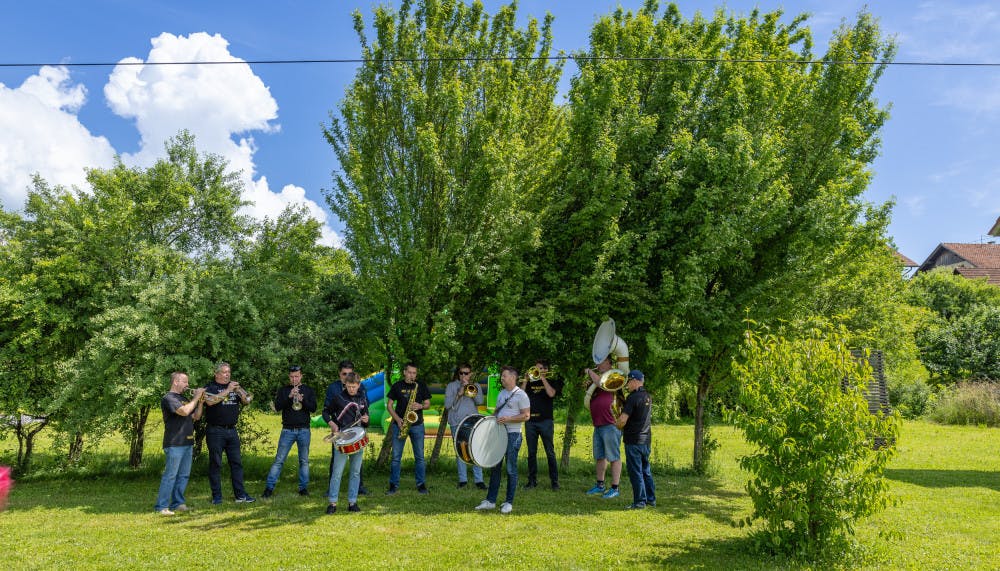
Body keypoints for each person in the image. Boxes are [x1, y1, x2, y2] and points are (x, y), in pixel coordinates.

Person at [475, 366, 530, 514]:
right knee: (495, 467)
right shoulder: (501, 393)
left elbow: (526, 416)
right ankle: (491, 501)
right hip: (499, 434)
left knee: (511, 469)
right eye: (502, 376)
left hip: (513, 435)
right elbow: (497, 412)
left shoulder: (521, 395)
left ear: (513, 377)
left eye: (504, 376)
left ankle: (508, 502)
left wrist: (509, 419)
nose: (502, 378)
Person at [203, 362, 255, 504]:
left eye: (229, 372)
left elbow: (247, 401)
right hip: (215, 431)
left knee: (236, 463)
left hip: (232, 430)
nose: (228, 375)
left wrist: (240, 391)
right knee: (216, 464)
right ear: (217, 374)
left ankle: (240, 495)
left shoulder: (234, 388)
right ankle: (217, 497)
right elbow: (210, 402)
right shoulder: (210, 387)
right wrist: (228, 390)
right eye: (225, 372)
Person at [154, 372, 205, 515]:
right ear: (176, 382)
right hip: (174, 442)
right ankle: (161, 507)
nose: (187, 385)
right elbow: (184, 411)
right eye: (185, 382)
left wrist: (200, 402)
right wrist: (195, 398)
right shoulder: (168, 398)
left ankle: (178, 503)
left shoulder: (184, 398)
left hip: (187, 442)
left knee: (183, 475)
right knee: (170, 475)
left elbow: (196, 416)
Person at [262, 365, 317, 498]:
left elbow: (313, 408)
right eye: (292, 376)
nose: (294, 379)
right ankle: (269, 488)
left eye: (296, 376)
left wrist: (302, 399)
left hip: (304, 430)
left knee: (303, 461)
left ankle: (303, 488)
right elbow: (277, 407)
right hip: (287, 430)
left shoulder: (308, 390)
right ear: (289, 377)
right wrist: (289, 396)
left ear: (301, 376)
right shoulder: (284, 390)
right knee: (279, 460)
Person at [323, 372, 370, 514]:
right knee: (337, 472)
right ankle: (332, 503)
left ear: (358, 385)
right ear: (345, 385)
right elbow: (326, 412)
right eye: (349, 386)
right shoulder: (339, 398)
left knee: (355, 472)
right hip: (341, 438)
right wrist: (332, 423)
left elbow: (366, 418)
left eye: (354, 387)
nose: (351, 389)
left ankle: (352, 502)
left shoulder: (362, 398)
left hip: (357, 438)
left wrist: (367, 420)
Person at [385, 362, 431, 495]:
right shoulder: (397, 386)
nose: (412, 375)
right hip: (400, 424)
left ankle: (421, 484)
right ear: (404, 372)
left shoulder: (420, 385)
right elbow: (389, 405)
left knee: (420, 457)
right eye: (410, 372)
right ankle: (393, 485)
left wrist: (420, 406)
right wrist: (398, 419)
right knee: (396, 457)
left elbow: (428, 403)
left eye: (414, 373)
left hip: (417, 425)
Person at [616, 370, 656, 509]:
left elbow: (622, 420)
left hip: (633, 441)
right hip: (646, 440)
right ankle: (650, 499)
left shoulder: (633, 397)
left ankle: (639, 502)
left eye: (628, 382)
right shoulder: (647, 396)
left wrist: (617, 422)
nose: (627, 385)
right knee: (646, 471)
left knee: (636, 472)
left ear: (634, 381)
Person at [584, 356, 623, 499]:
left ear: (609, 363)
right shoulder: (599, 376)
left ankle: (615, 487)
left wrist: (589, 372)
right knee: (600, 456)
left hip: (610, 423)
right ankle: (600, 485)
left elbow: (601, 383)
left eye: (600, 361)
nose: (597, 364)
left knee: (613, 456)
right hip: (599, 424)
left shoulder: (615, 375)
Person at [521, 359, 562, 490]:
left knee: (550, 452)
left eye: (539, 368)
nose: (536, 371)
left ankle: (554, 482)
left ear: (545, 370)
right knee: (531, 453)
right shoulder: (529, 382)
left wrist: (543, 379)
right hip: (531, 421)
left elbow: (551, 394)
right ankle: (532, 481)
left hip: (545, 421)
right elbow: (520, 395)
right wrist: (526, 380)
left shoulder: (550, 381)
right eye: (535, 368)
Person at [444, 363, 485, 489]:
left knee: (475, 450)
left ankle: (479, 480)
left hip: (472, 422)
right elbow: (447, 405)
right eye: (461, 373)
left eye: (466, 373)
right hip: (456, 422)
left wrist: (469, 388)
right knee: (460, 451)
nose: (463, 375)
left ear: (470, 374)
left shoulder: (475, 385)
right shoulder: (451, 386)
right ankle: (463, 480)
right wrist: (459, 393)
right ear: (458, 373)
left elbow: (480, 402)